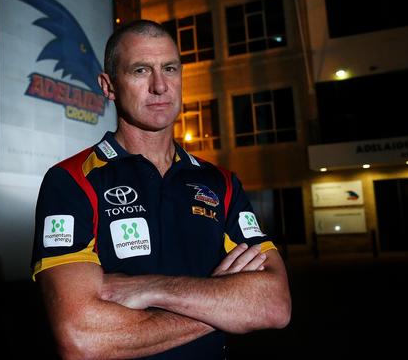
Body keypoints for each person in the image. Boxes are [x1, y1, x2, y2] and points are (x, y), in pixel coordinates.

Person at [31, 19, 291, 359]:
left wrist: (149, 288)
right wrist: (224, 302)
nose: (159, 86)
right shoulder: (72, 180)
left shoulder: (221, 183)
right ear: (108, 86)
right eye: (140, 70)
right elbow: (82, 338)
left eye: (170, 68)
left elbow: (275, 303)